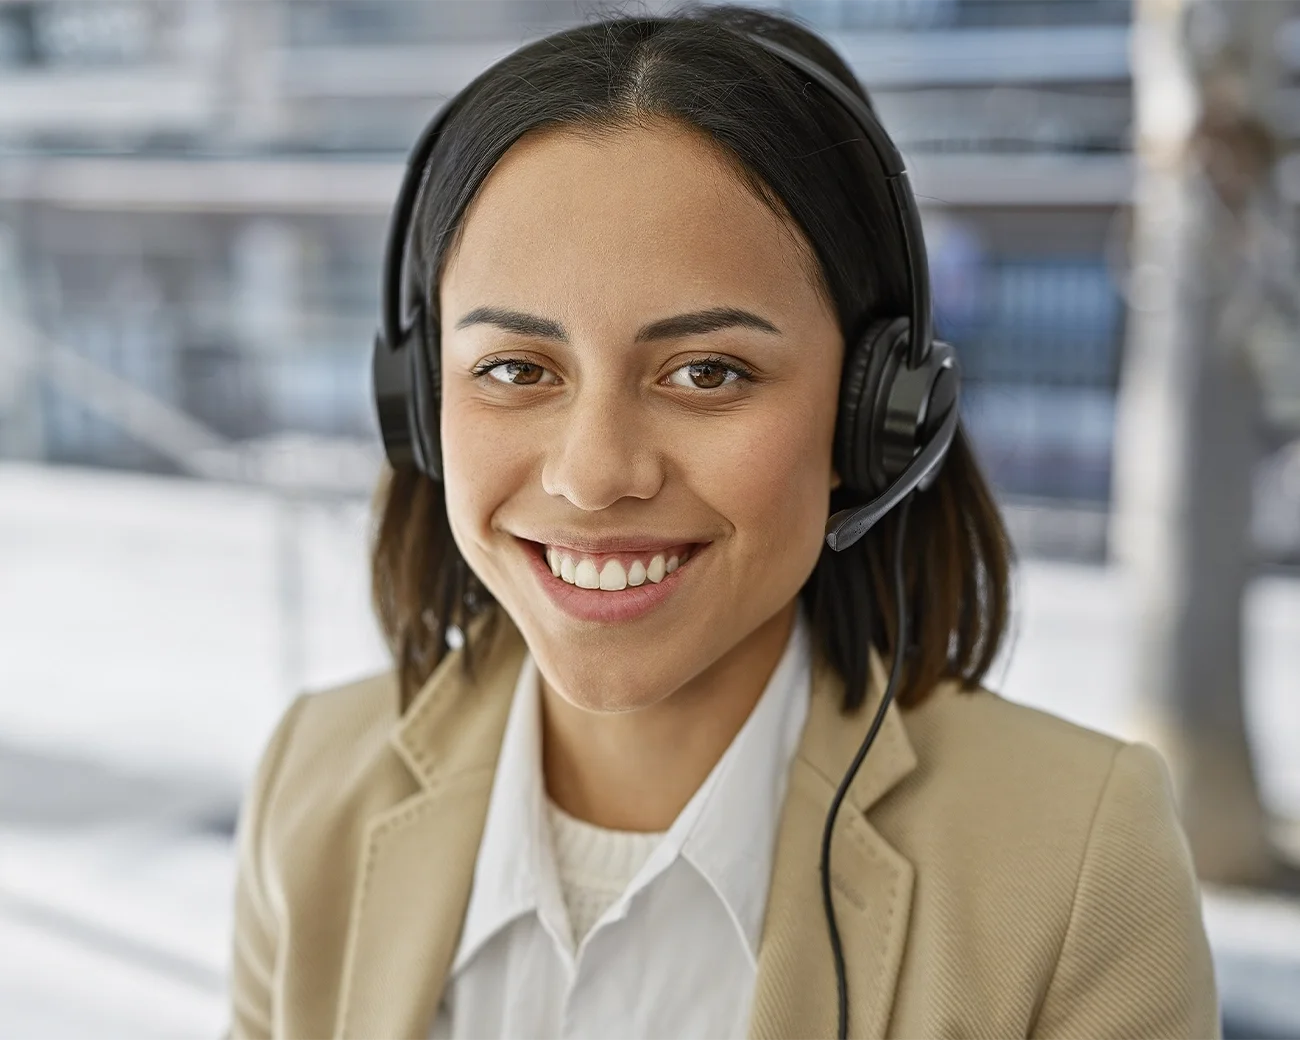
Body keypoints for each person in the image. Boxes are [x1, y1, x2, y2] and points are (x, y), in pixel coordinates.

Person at [227, 6, 1220, 1039]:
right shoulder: (314, 784)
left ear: (873, 414)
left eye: (707, 371)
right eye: (516, 369)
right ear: (419, 404)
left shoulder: (1076, 859)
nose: (595, 473)